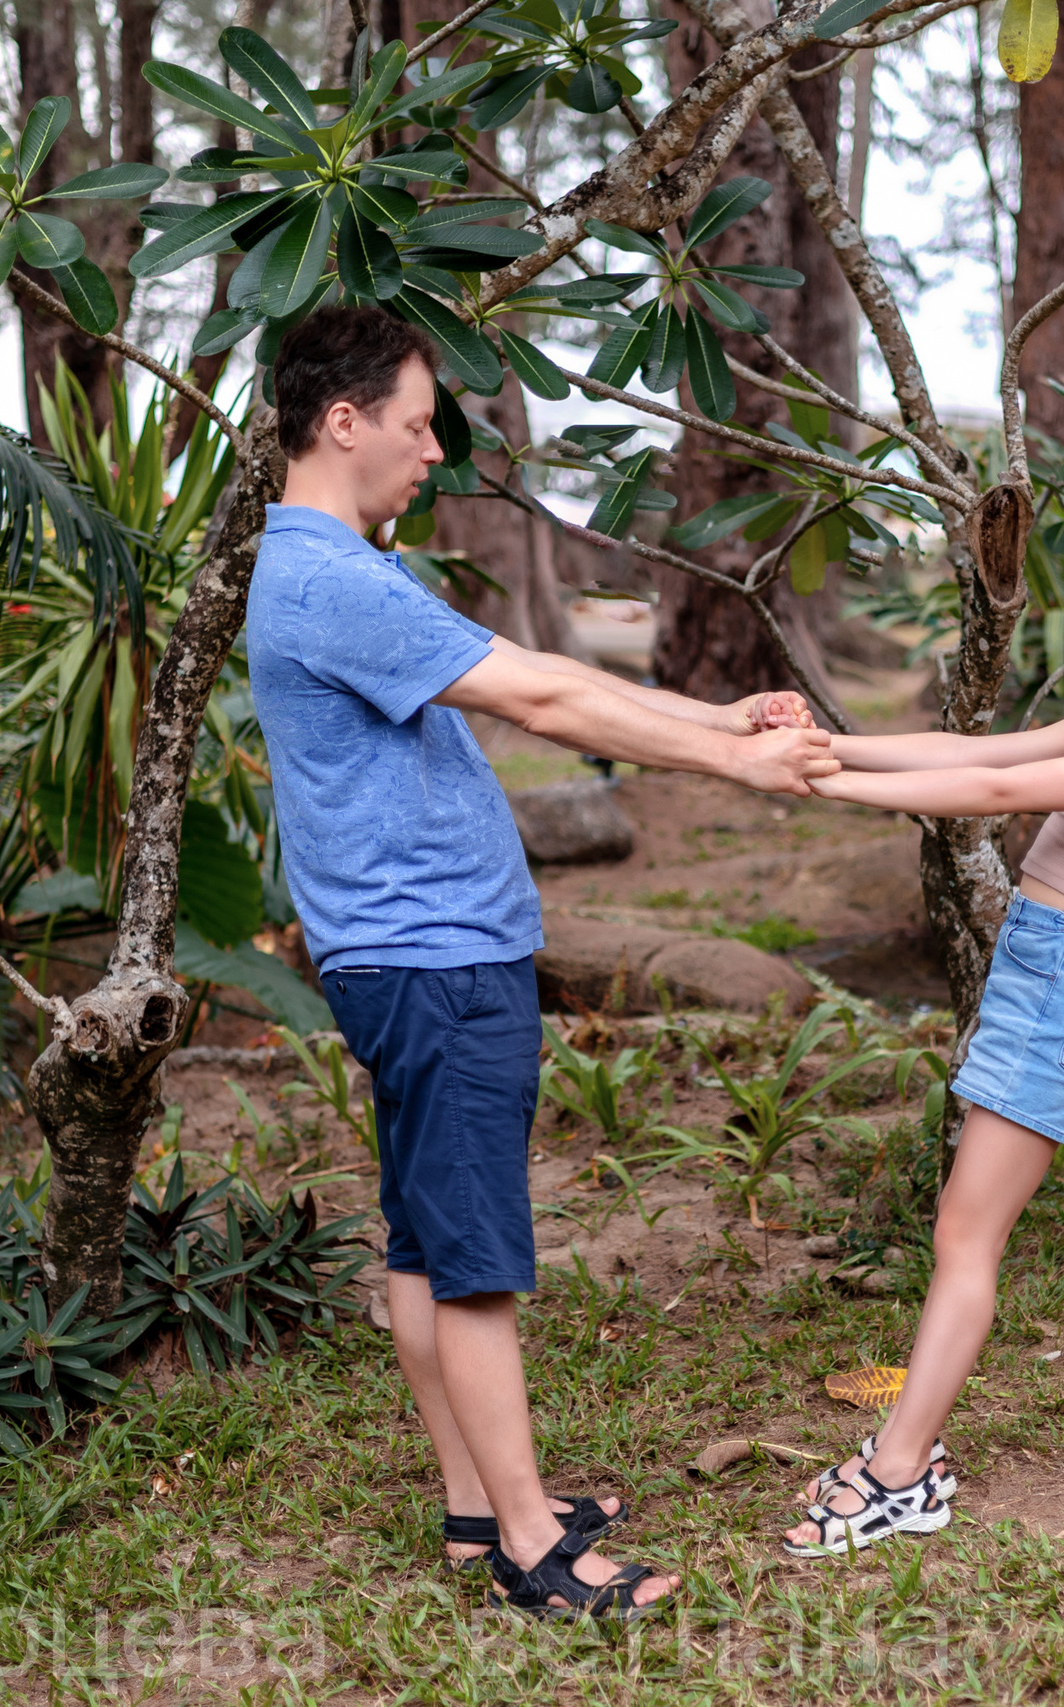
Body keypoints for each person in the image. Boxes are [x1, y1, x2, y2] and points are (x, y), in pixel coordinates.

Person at [246, 304, 837, 1618]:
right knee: (474, 1261)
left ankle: (477, 1505)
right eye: (414, 423)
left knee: (423, 1241)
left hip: (406, 959)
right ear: (340, 421)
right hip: (437, 961)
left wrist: (712, 708)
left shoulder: (329, 565)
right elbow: (544, 700)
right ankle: (531, 1545)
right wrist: (736, 758)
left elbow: (540, 670)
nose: (430, 450)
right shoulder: (330, 577)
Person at [778, 524, 1064, 1556]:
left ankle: (901, 1472)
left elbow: (991, 797)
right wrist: (828, 744)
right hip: (1043, 977)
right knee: (961, 1231)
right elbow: (972, 752)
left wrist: (827, 786)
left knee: (964, 1240)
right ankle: (909, 1456)